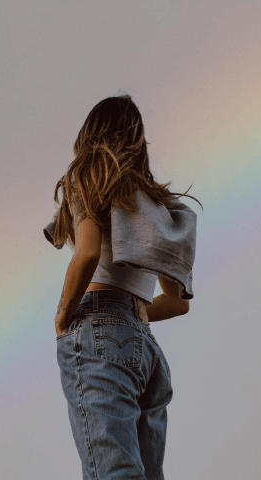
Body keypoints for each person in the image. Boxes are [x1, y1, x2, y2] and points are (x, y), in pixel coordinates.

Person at [46, 92, 202, 479]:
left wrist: (63, 317)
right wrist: (133, 313)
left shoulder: (86, 174)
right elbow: (177, 302)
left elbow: (85, 255)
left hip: (99, 332)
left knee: (113, 472)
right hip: (145, 348)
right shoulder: (155, 206)